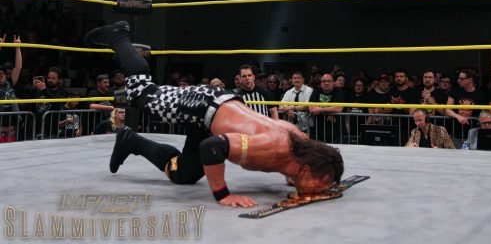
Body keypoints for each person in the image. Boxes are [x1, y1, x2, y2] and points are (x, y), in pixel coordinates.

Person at [85, 21, 344, 208]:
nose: (322, 189)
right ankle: (119, 37)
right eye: (322, 182)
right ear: (307, 169)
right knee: (142, 93)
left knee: (184, 174)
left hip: (219, 111)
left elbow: (298, 157)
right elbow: (212, 148)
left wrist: (293, 176)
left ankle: (130, 141)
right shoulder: (269, 148)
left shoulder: (299, 145)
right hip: (204, 106)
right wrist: (223, 195)